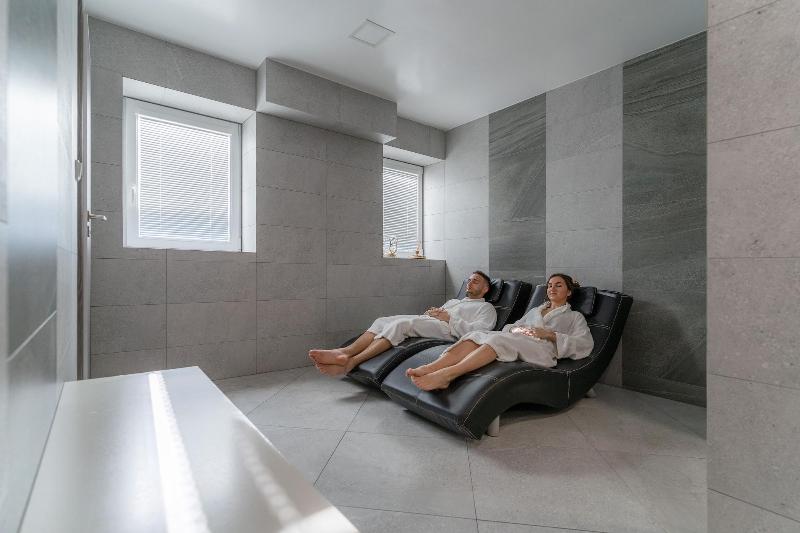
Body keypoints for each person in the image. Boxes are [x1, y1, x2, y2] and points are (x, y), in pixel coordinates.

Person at [407, 273, 593, 391]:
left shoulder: (574, 317)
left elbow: (584, 344)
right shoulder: (536, 311)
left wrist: (550, 335)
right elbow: (512, 327)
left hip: (542, 351)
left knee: (497, 341)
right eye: (550, 285)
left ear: (569, 292)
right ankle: (432, 367)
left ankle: (447, 375)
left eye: (558, 285)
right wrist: (520, 329)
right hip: (520, 340)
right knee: (476, 335)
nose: (552, 288)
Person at [309, 271, 498, 376]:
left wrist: (449, 318)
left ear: (485, 288)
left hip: (449, 331)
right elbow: (438, 314)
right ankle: (344, 352)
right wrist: (434, 312)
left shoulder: (486, 308)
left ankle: (352, 362)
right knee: (382, 321)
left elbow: (479, 332)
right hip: (431, 322)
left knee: (402, 325)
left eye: (475, 281)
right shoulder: (454, 301)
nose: (469, 283)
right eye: (469, 280)